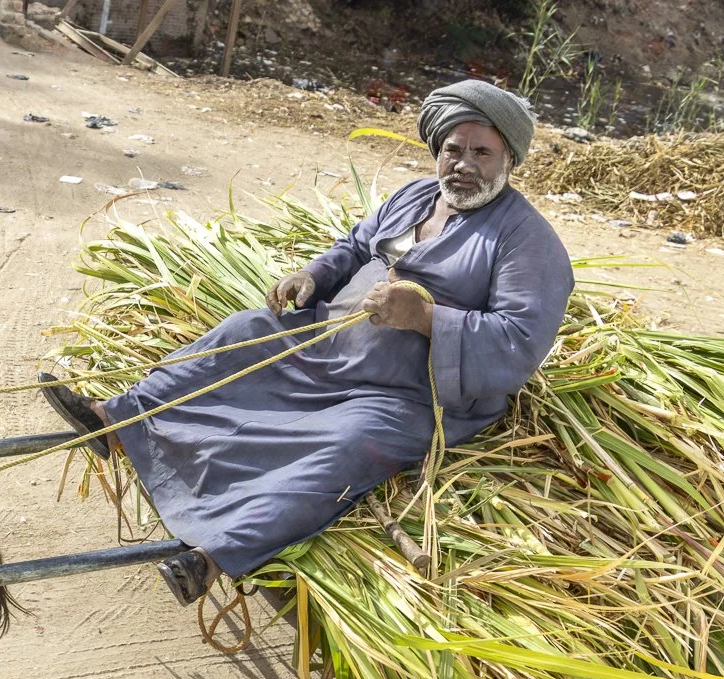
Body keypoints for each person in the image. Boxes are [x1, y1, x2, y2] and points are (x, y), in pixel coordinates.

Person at [39, 79, 575, 606]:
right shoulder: (416, 196)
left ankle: (214, 554)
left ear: (508, 159)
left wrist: (427, 318)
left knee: (348, 444)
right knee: (245, 331)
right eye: (453, 149)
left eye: (482, 153)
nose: (463, 164)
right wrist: (313, 275)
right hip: (322, 348)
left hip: (402, 394)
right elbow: (356, 247)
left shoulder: (526, 239)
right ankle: (116, 420)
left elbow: (520, 341)